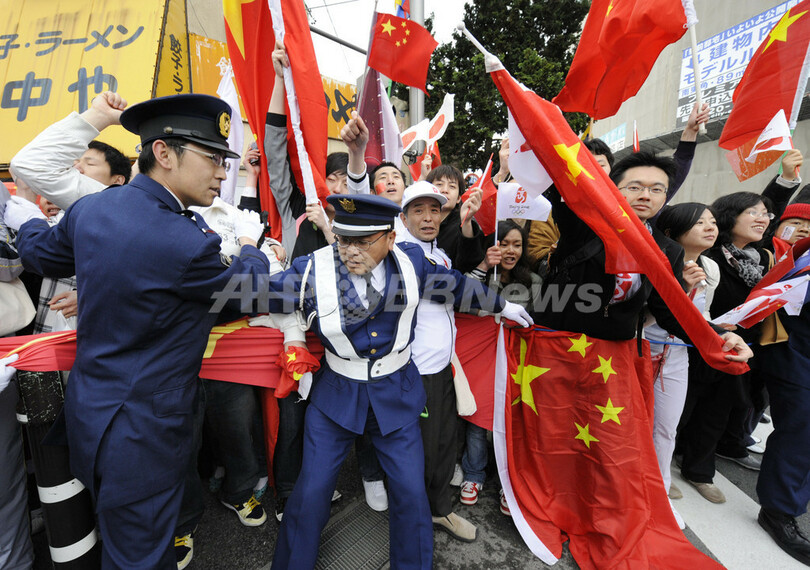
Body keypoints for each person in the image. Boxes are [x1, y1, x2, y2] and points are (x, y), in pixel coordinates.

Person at [6, 93, 271, 568]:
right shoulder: (184, 242)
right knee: (140, 556)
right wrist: (251, 244)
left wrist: (24, 218)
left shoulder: (93, 210)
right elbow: (249, 291)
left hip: (95, 416)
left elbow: (43, 255)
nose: (220, 172)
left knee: (127, 538)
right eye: (211, 157)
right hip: (144, 434)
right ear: (164, 154)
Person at [264, 193, 533, 569]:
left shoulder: (412, 262)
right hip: (336, 396)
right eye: (343, 239)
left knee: (409, 494)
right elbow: (258, 291)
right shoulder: (311, 268)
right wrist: (249, 252)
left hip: (398, 393)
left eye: (363, 241)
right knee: (311, 493)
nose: (350, 250)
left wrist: (504, 305)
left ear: (390, 238)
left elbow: (455, 285)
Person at [396, 181, 478, 542]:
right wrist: (501, 304)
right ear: (404, 216)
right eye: (419, 210)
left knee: (445, 443)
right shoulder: (401, 253)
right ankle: (418, 518)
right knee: (424, 450)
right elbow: (450, 287)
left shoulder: (439, 253)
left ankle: (438, 509)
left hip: (443, 368)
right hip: (417, 373)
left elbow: (457, 281)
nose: (428, 218)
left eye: (435, 210)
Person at [460, 219, 541, 515]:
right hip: (480, 359)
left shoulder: (533, 281)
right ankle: (473, 475)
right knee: (478, 417)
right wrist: (483, 266)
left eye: (516, 245)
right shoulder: (480, 275)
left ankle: (511, 482)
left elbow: (540, 326)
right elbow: (462, 300)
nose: (510, 250)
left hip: (517, 362)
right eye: (503, 243)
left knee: (513, 421)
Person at [648, 203, 719, 524]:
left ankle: (659, 491)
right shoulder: (655, 262)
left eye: (713, 221)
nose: (710, 227)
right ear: (671, 232)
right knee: (627, 424)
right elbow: (645, 317)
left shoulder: (710, 268)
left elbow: (700, 317)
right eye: (699, 222)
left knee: (666, 427)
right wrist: (680, 288)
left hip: (677, 357)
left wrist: (720, 331)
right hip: (639, 352)